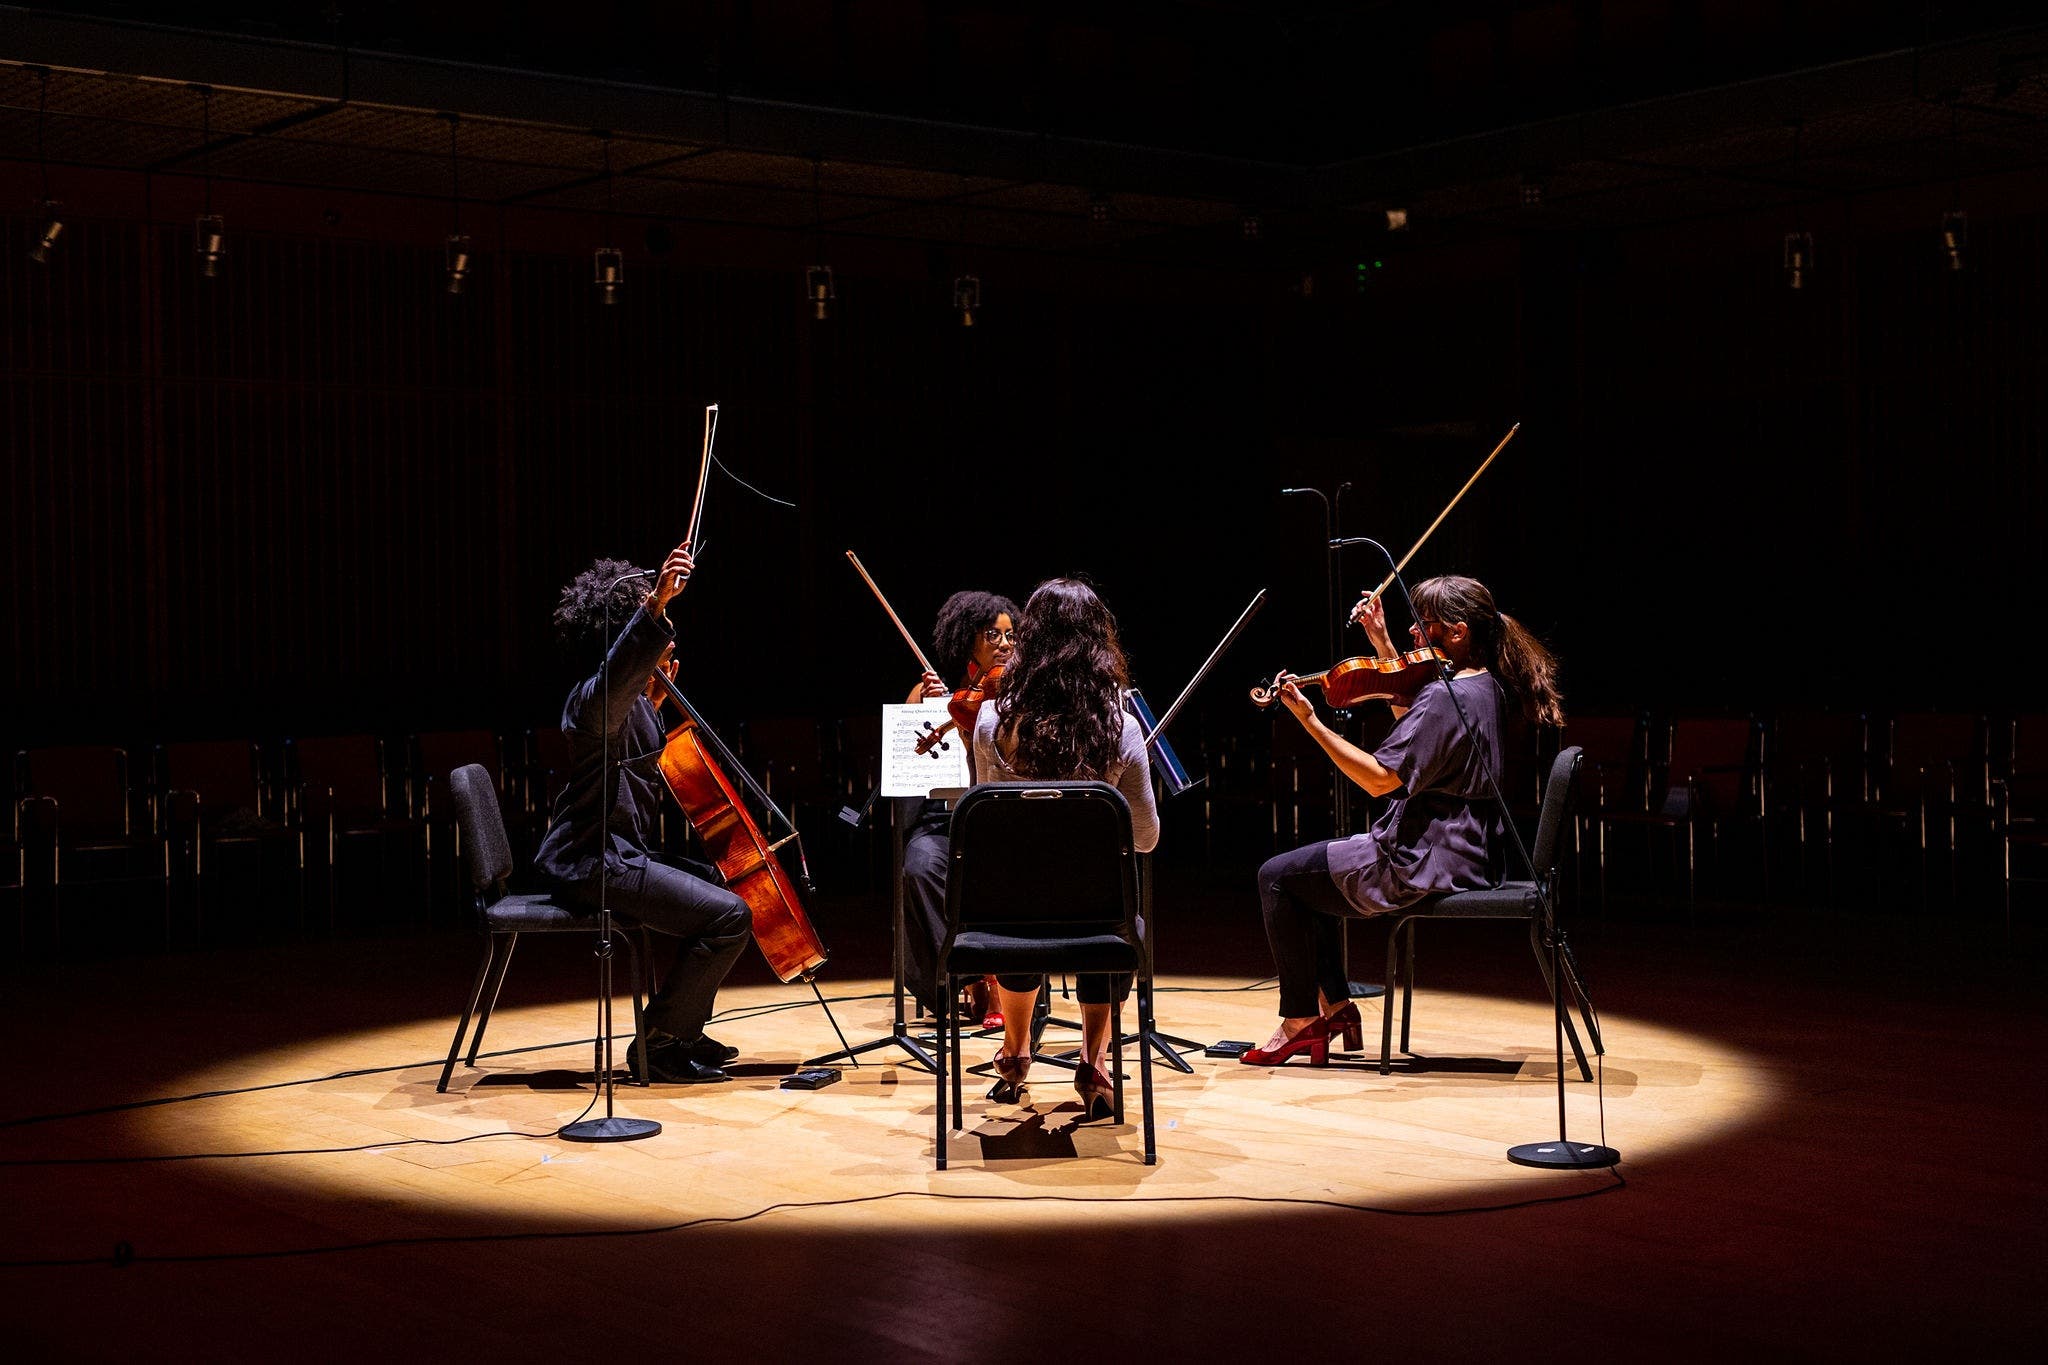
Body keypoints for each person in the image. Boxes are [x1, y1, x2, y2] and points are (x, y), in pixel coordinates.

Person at [1246, 574, 1564, 1067]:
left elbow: (1379, 780)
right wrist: (1381, 641)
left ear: (1456, 633)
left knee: (1277, 878)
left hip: (1421, 856)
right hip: (1467, 848)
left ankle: (1301, 1021)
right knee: (1306, 879)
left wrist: (1310, 721)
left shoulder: (1444, 697)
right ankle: (1338, 1010)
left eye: (1422, 624)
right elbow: (1415, 721)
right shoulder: (1484, 687)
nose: (1415, 634)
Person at [534, 540, 751, 1084]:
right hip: (592, 862)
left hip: (621, 854)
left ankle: (684, 1026)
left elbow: (625, 728)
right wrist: (654, 606)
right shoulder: (592, 700)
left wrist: (653, 698)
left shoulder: (629, 705)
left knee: (729, 886)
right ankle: (661, 1041)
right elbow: (615, 683)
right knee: (728, 917)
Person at [970, 578, 1159, 1119]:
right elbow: (1146, 837)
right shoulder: (1122, 728)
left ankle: (1015, 1050)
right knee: (1114, 915)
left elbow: (984, 824)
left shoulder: (991, 721)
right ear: (1100, 645)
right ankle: (1094, 1058)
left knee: (1022, 905)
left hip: (1008, 918)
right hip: (1096, 921)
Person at [898, 591, 1019, 1023]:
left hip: (996, 817)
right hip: (942, 820)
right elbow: (907, 752)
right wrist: (926, 707)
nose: (1005, 644)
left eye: (1010, 635)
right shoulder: (936, 688)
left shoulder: (1019, 691)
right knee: (920, 865)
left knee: (999, 866)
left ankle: (1004, 979)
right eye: (993, 635)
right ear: (968, 641)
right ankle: (968, 977)